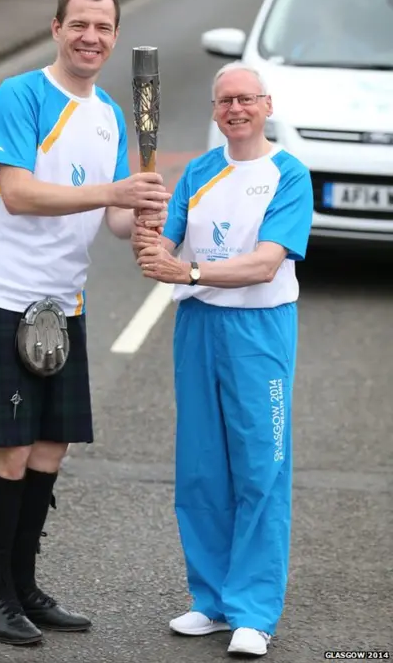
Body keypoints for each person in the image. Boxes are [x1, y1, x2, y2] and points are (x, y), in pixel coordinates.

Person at [0, 0, 169, 647]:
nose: (91, 37)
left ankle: (27, 586)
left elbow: (118, 219)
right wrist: (111, 191)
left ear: (116, 37)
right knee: (8, 452)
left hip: (63, 303)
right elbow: (16, 193)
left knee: (49, 450)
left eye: (103, 27)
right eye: (79, 25)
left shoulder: (110, 117)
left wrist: (146, 212)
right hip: (2, 294)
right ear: (56, 27)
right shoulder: (22, 96)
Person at [132, 62, 313, 658]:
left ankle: (254, 613)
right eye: (224, 101)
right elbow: (169, 241)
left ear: (265, 105)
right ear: (214, 111)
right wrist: (151, 235)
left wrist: (186, 270)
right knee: (203, 468)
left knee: (261, 467)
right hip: (198, 326)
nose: (235, 109)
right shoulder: (200, 172)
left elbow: (265, 263)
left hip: (258, 328)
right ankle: (211, 601)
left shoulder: (289, 174)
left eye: (246, 99)